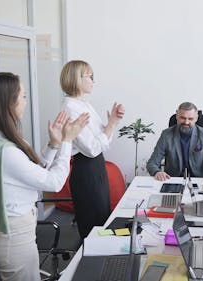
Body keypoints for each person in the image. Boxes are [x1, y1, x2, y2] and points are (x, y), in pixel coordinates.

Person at [0, 72, 89, 281]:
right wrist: (68, 141)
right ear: (8, 102)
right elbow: (54, 182)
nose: (25, 101)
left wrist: (54, 144)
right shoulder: (5, 151)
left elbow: (31, 169)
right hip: (14, 237)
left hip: (10, 232)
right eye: (22, 96)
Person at [60, 60, 125, 239]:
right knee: (92, 224)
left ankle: (101, 261)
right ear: (76, 79)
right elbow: (92, 149)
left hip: (96, 167)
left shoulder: (84, 104)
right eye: (90, 77)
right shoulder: (71, 108)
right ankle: (87, 264)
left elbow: (103, 139)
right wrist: (111, 124)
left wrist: (113, 122)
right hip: (86, 169)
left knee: (102, 218)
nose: (93, 81)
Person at [147, 102, 203, 183]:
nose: (186, 122)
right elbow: (152, 163)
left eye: (190, 119)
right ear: (177, 116)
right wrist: (157, 172)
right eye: (182, 118)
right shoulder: (166, 135)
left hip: (199, 180)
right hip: (172, 180)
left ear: (196, 118)